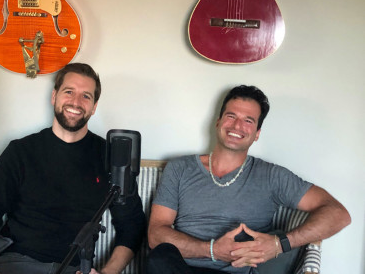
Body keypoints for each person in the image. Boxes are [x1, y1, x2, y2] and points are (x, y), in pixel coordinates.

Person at [0, 63, 146, 274]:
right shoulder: (21, 151)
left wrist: (107, 272)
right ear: (54, 96)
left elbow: (132, 226)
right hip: (15, 262)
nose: (76, 102)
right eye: (69, 92)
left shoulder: (112, 158)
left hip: (74, 268)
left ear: (94, 107)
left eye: (86, 96)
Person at [147, 85, 351, 274]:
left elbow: (338, 214)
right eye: (231, 115)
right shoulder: (179, 168)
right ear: (218, 122)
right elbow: (156, 235)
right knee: (160, 257)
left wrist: (280, 244)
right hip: (180, 269)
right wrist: (212, 250)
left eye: (248, 120)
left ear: (257, 134)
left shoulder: (272, 176)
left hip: (235, 272)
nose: (237, 125)